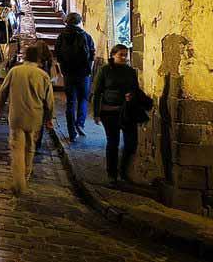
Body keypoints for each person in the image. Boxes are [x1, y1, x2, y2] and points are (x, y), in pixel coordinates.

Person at [0, 45, 54, 196]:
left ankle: (19, 183)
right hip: (35, 117)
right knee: (30, 148)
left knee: (17, 150)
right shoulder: (43, 76)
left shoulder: (15, 71)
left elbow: (2, 92)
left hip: (17, 116)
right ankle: (25, 177)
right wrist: (49, 118)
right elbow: (49, 101)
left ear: (25, 56)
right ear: (38, 59)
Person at [93, 44, 142, 184]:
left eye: (125, 55)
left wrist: (131, 96)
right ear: (113, 55)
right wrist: (96, 113)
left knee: (131, 144)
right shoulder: (105, 70)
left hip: (127, 112)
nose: (124, 57)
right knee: (113, 142)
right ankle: (112, 174)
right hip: (110, 113)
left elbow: (135, 89)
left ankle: (124, 170)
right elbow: (97, 92)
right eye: (121, 54)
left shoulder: (130, 71)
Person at [54, 12, 96, 142]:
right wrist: (89, 70)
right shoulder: (86, 36)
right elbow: (92, 55)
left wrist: (61, 71)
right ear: (79, 22)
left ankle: (71, 132)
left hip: (68, 74)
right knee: (83, 99)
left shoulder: (61, 37)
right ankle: (80, 124)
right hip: (83, 73)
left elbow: (57, 55)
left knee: (71, 102)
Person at [34, 41, 55, 151]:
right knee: (39, 123)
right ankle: (37, 144)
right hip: (41, 98)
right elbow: (49, 98)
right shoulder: (48, 63)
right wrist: (50, 116)